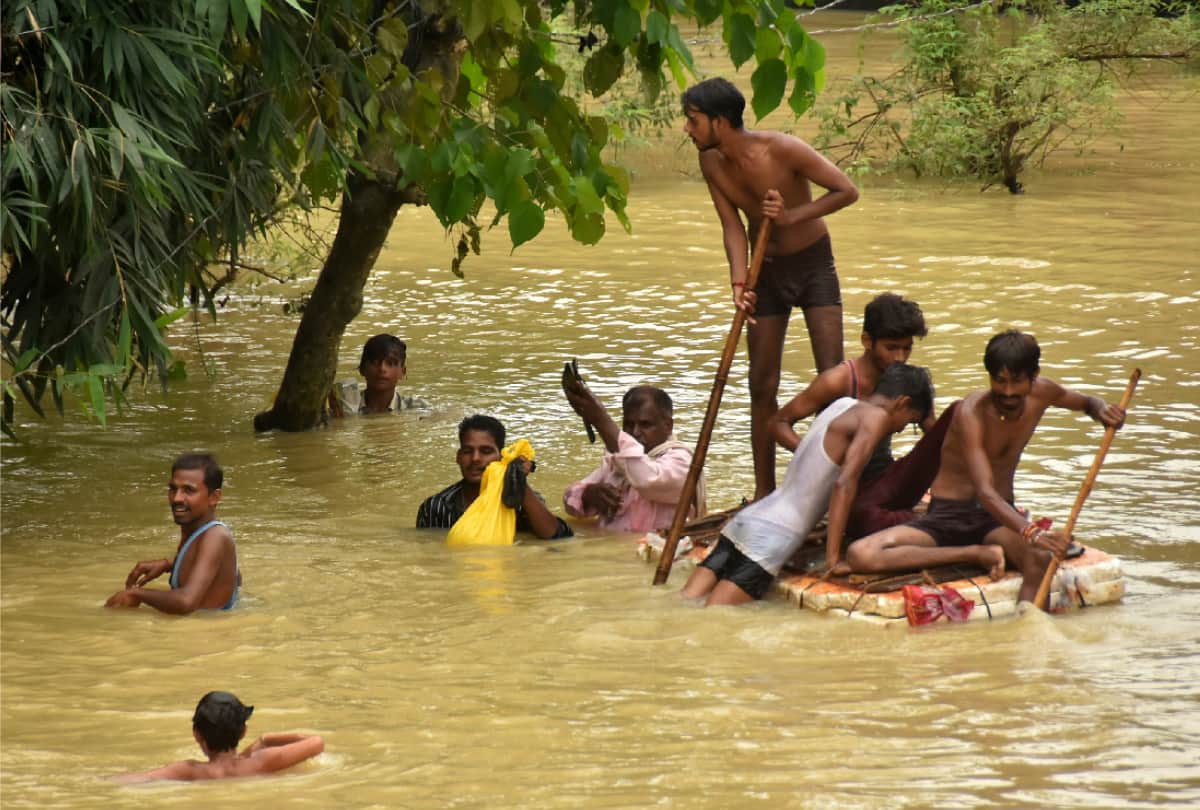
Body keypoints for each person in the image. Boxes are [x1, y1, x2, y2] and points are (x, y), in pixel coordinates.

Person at [843, 331, 1127, 605]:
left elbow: (1086, 402)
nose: (1007, 392)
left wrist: (1102, 410)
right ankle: (973, 553)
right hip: (948, 517)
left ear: (1034, 376)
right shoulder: (972, 412)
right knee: (860, 554)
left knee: (1038, 560)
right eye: (999, 381)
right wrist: (1032, 533)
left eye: (1016, 382)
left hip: (996, 522)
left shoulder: (1045, 392)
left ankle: (1027, 634)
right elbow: (985, 491)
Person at [683, 76, 860, 501]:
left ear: (720, 122)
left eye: (694, 121)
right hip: (767, 274)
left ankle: (832, 485)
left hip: (813, 264)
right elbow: (733, 226)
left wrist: (791, 217)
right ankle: (765, 490)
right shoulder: (711, 162)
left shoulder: (782, 148)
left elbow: (847, 191)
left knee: (831, 377)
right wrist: (739, 282)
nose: (688, 130)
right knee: (761, 383)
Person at [680, 363, 934, 606]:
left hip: (746, 522)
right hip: (772, 537)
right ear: (903, 403)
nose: (900, 430)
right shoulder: (876, 418)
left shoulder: (842, 405)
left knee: (685, 604)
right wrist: (833, 559)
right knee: (717, 618)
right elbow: (844, 484)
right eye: (909, 422)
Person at [768, 292, 951, 538]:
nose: (900, 358)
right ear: (867, 341)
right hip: (841, 483)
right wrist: (821, 459)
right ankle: (920, 521)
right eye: (891, 348)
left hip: (883, 477)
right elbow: (778, 423)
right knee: (861, 519)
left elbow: (938, 436)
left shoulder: (906, 383)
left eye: (906, 348)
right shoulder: (838, 380)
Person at [105, 453, 240, 613]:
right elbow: (235, 576)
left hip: (206, 636)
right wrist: (171, 564)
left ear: (214, 497)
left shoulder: (215, 536)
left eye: (188, 490)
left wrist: (137, 593)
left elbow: (186, 603)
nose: (176, 498)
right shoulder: (200, 532)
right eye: (173, 489)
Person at [562, 385, 704, 533]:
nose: (635, 432)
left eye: (645, 425)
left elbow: (647, 480)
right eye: (629, 425)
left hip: (656, 552)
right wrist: (589, 495)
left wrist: (601, 420)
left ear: (668, 425)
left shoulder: (682, 462)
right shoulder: (616, 462)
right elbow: (568, 500)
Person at [416, 415, 573, 539]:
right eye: (467, 451)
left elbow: (556, 536)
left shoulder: (520, 502)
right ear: (458, 457)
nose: (475, 458)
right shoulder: (435, 508)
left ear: (501, 457)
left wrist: (519, 481)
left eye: (485, 451)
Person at [118, 691, 324, 782]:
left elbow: (140, 779)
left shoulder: (190, 771)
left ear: (196, 734)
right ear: (243, 732)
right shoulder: (260, 763)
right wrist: (265, 739)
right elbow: (316, 742)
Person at [326, 333, 428, 417]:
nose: (382, 369)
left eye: (390, 363)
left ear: (402, 372)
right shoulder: (345, 404)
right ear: (362, 369)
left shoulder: (416, 407)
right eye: (375, 362)